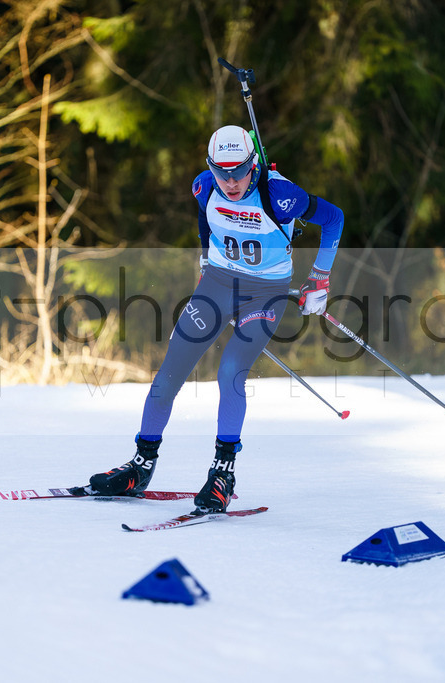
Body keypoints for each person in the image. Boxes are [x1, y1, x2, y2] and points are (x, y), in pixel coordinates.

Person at [79, 124, 344, 512]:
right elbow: (206, 219)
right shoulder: (204, 186)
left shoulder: (280, 195)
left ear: (254, 164)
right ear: (210, 166)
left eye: (239, 170)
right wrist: (205, 261)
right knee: (169, 372)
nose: (231, 180)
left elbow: (334, 218)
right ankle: (141, 465)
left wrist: (319, 278)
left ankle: (223, 473)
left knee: (230, 370)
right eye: (222, 170)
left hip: (265, 293)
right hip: (218, 286)